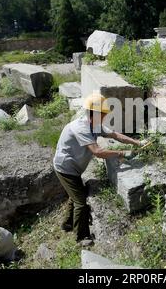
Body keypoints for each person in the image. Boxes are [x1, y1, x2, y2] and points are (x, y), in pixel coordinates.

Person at [53, 94, 147, 247]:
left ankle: (67, 224)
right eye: (103, 114)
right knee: (80, 201)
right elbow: (97, 152)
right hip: (65, 168)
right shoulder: (81, 127)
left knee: (75, 195)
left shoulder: (94, 125)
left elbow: (115, 135)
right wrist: (122, 153)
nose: (104, 117)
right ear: (94, 113)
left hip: (74, 167)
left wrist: (137, 142)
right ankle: (81, 237)